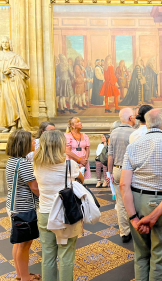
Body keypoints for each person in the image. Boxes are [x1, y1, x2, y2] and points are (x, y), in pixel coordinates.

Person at [120, 108, 162, 281]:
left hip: (137, 201)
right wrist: (155, 215)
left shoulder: (133, 145)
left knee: (141, 255)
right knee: (160, 257)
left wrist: (133, 218)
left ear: (147, 124)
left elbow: (123, 184)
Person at [33, 130, 84, 281]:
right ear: (61, 145)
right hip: (65, 213)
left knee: (48, 254)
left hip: (45, 212)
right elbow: (81, 179)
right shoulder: (70, 164)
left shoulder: (36, 164)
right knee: (66, 254)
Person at [5, 130, 40, 281]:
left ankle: (20, 274)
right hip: (24, 208)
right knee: (25, 244)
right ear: (24, 143)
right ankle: (25, 277)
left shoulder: (13, 160)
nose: (34, 142)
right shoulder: (24, 163)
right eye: (32, 140)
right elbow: (34, 187)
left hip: (14, 206)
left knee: (19, 243)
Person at [107, 108, 136, 243]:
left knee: (120, 202)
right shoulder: (134, 133)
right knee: (134, 200)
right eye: (134, 116)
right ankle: (136, 228)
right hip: (131, 171)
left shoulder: (113, 133)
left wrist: (109, 172)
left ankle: (124, 232)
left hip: (117, 170)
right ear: (130, 118)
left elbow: (110, 155)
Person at [0, 36, 33, 132]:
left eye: (6, 42)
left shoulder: (15, 56)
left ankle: (15, 124)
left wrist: (11, 71)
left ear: (9, 44)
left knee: (13, 102)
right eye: (3, 42)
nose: (5, 44)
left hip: (12, 82)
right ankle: (7, 125)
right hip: (3, 83)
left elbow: (25, 70)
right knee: (5, 104)